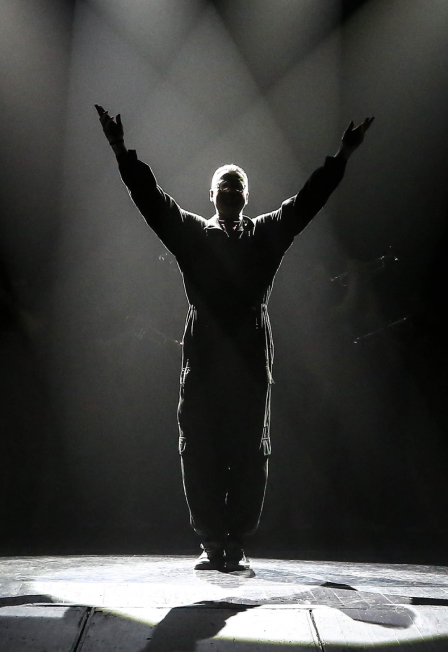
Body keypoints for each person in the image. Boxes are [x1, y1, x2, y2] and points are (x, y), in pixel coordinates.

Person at [95, 104, 373, 571]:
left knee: (248, 447)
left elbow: (307, 202)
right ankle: (210, 538)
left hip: (248, 352)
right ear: (211, 195)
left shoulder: (265, 234)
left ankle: (237, 537)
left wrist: (343, 155)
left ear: (246, 196)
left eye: (237, 184)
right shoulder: (192, 234)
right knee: (198, 444)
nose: (230, 187)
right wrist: (120, 149)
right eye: (223, 184)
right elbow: (151, 200)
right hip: (204, 353)